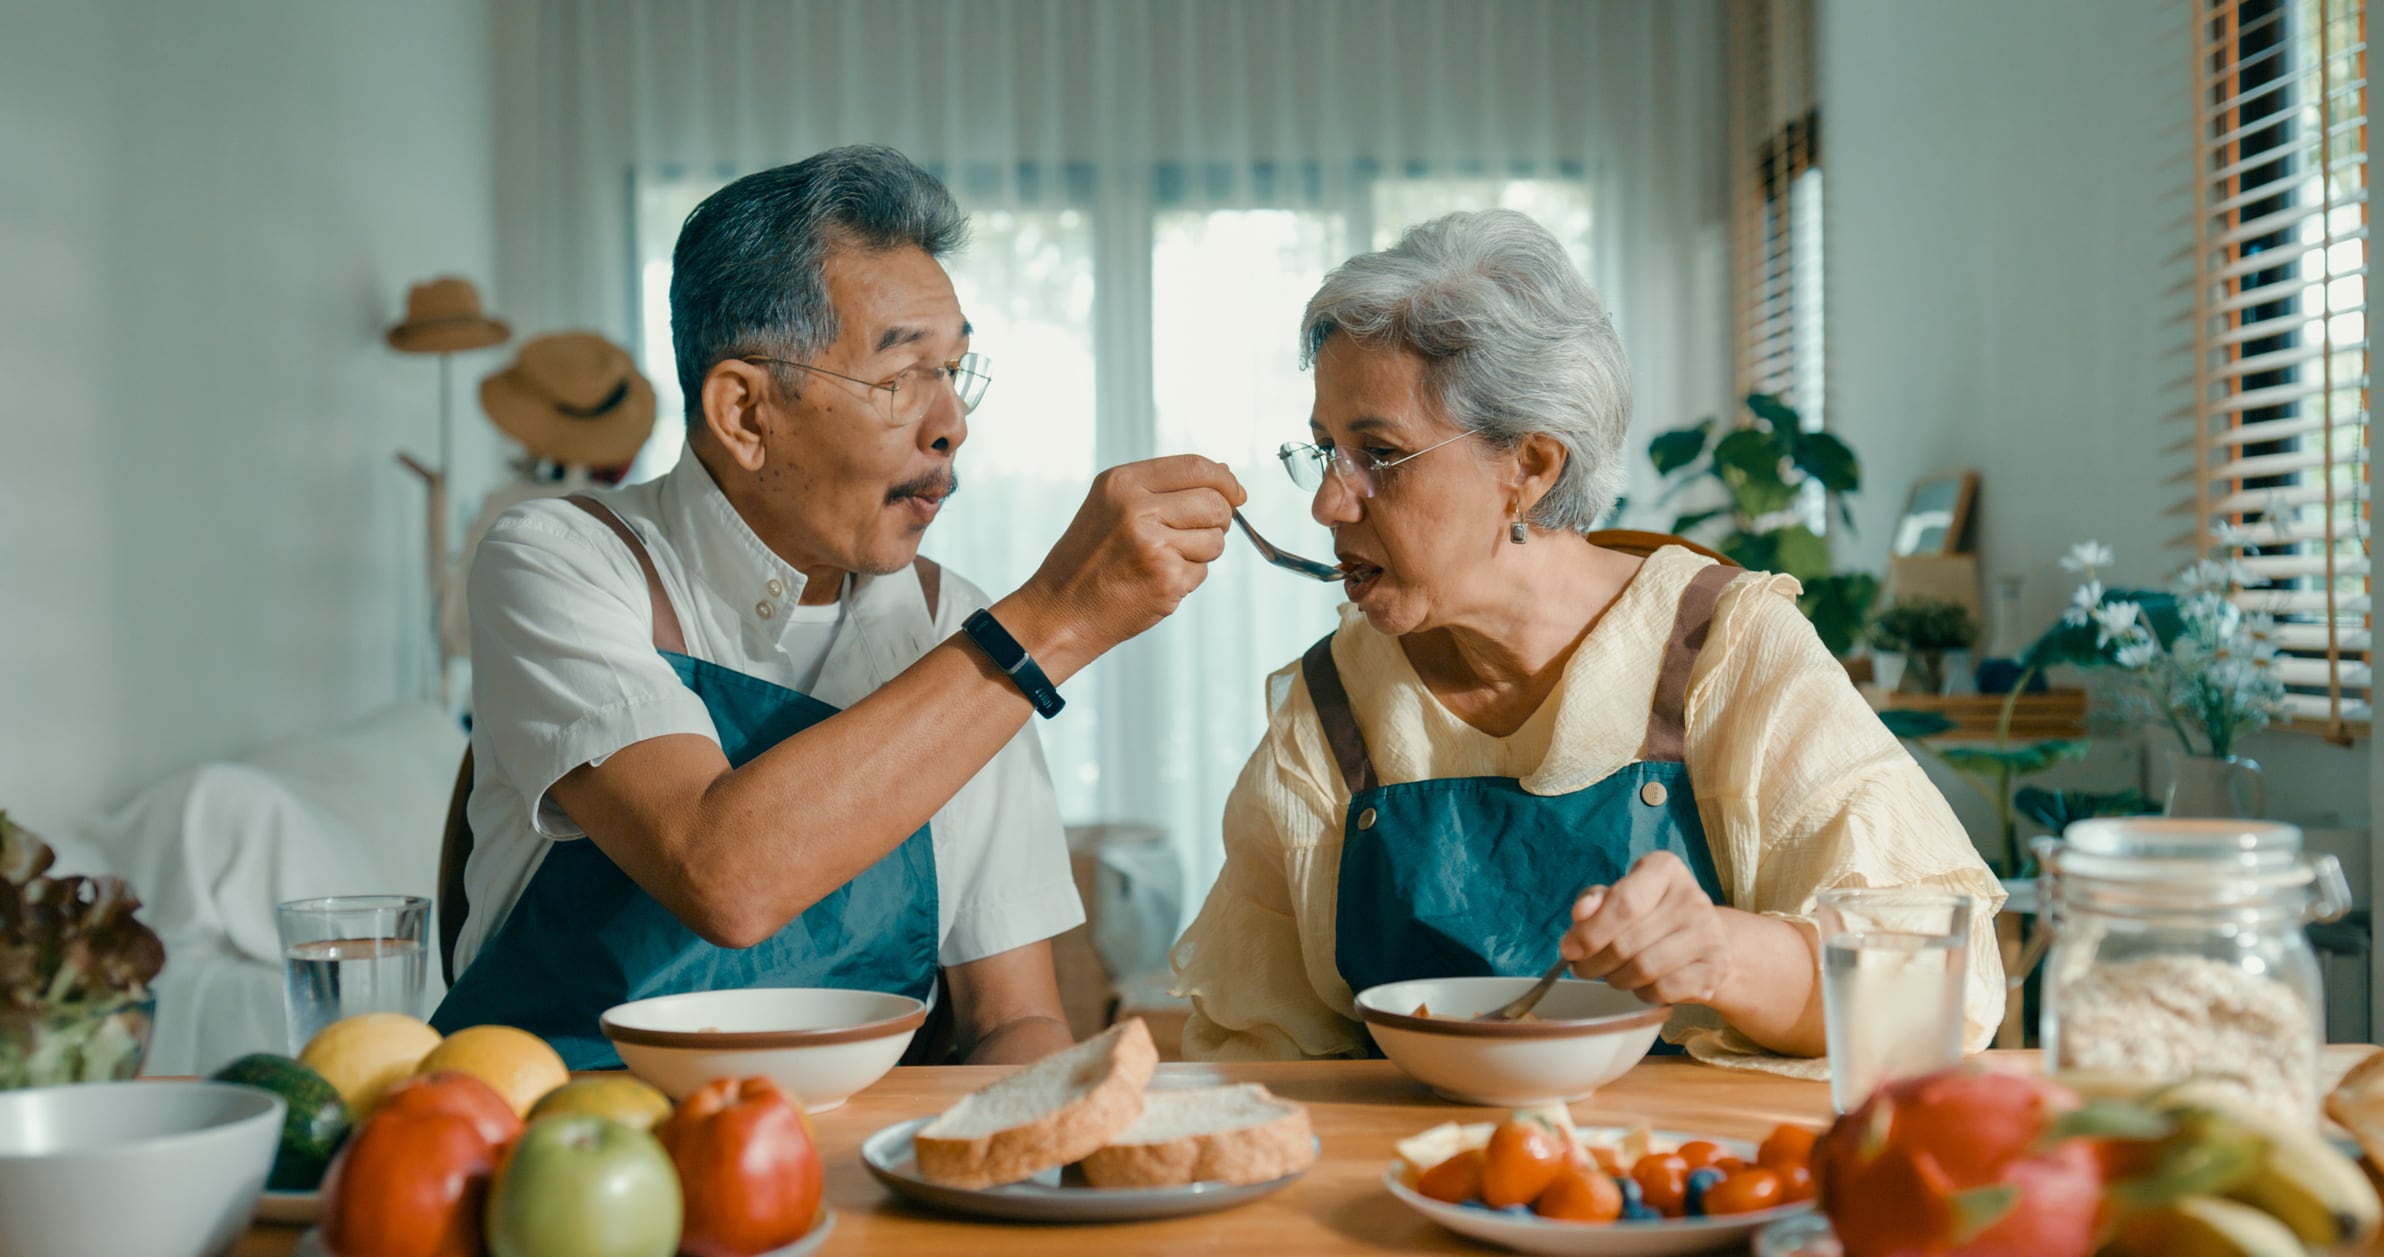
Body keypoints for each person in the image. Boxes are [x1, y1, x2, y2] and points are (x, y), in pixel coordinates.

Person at [434, 146, 1244, 1067]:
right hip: (559, 1147)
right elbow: (723, 873)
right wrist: (1057, 620)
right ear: (745, 414)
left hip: (854, 1167)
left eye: (955, 371)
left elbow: (1013, 1019)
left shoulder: (953, 627)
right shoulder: (562, 561)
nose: (951, 424)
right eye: (901, 377)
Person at [1170, 210, 2003, 1063]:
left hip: (1693, 1184)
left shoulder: (1723, 649)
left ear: (1530, 466)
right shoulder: (1331, 708)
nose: (1327, 504)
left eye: (1377, 454)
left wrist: (1725, 953)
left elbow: (1941, 984)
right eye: (1323, 451)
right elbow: (1250, 1044)